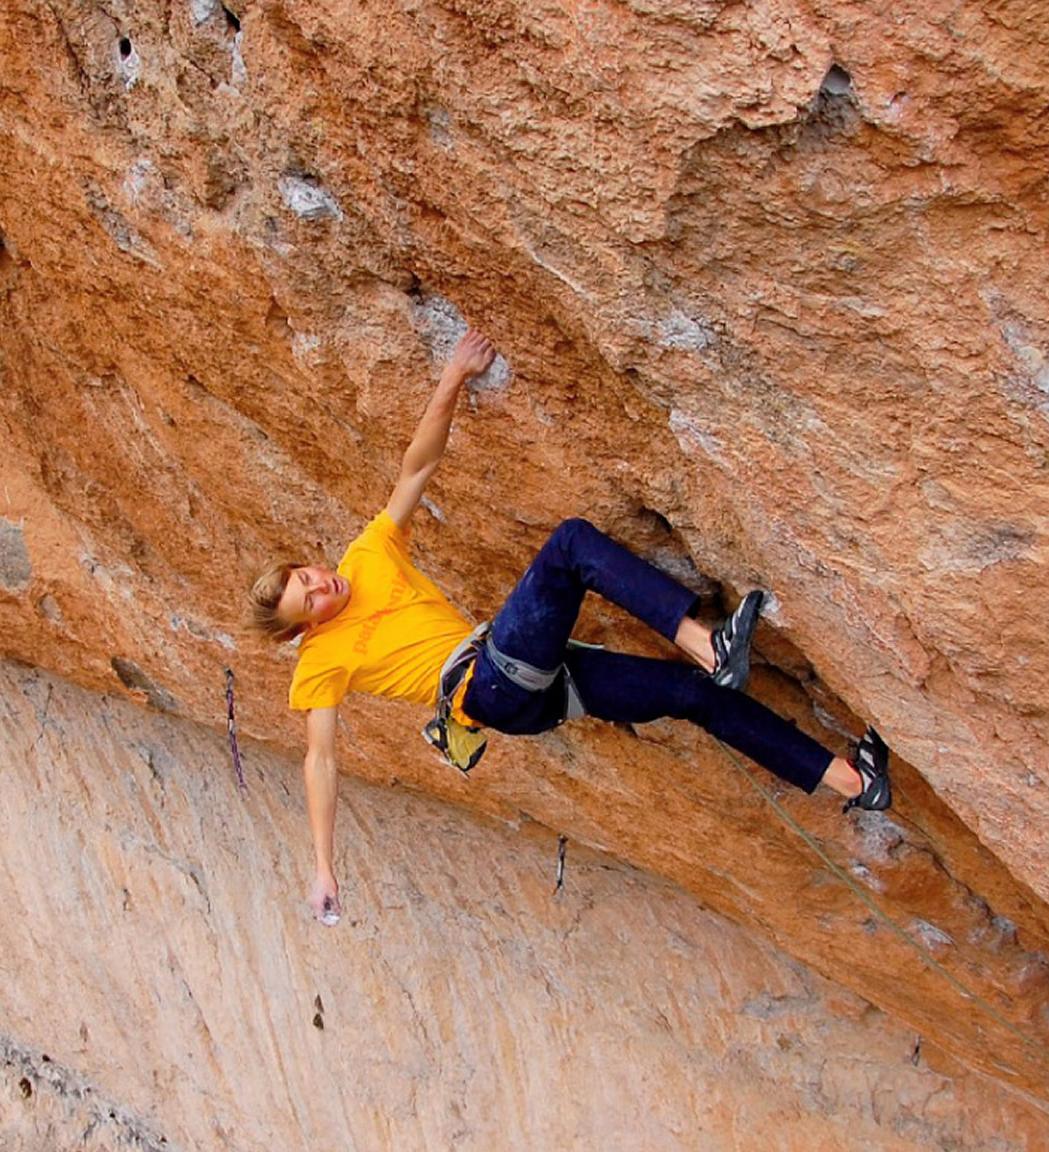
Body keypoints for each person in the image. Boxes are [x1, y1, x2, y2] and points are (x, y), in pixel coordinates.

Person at [245, 330, 892, 924]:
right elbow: (320, 759)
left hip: (530, 688)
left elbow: (416, 468)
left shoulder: (366, 556)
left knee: (691, 697)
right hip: (487, 685)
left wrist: (451, 379)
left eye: (308, 577)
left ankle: (856, 784)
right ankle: (707, 645)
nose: (322, 588)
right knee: (571, 547)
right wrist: (325, 864)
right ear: (302, 632)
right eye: (311, 604)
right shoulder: (319, 665)